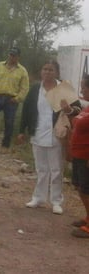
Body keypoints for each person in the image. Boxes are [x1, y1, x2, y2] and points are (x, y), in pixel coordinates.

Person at [17, 60, 81, 215]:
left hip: (56, 134)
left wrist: (69, 109)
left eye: (51, 70)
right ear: (41, 71)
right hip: (38, 132)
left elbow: (78, 109)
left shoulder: (63, 88)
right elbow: (26, 110)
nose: (47, 72)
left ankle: (56, 201)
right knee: (41, 168)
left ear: (57, 72)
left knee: (56, 169)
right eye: (45, 69)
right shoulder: (35, 89)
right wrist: (21, 131)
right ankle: (38, 197)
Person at [70, 74, 89, 237]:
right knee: (79, 187)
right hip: (78, 155)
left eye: (84, 86)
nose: (82, 89)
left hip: (86, 156)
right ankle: (88, 217)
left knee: (86, 190)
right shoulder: (87, 107)